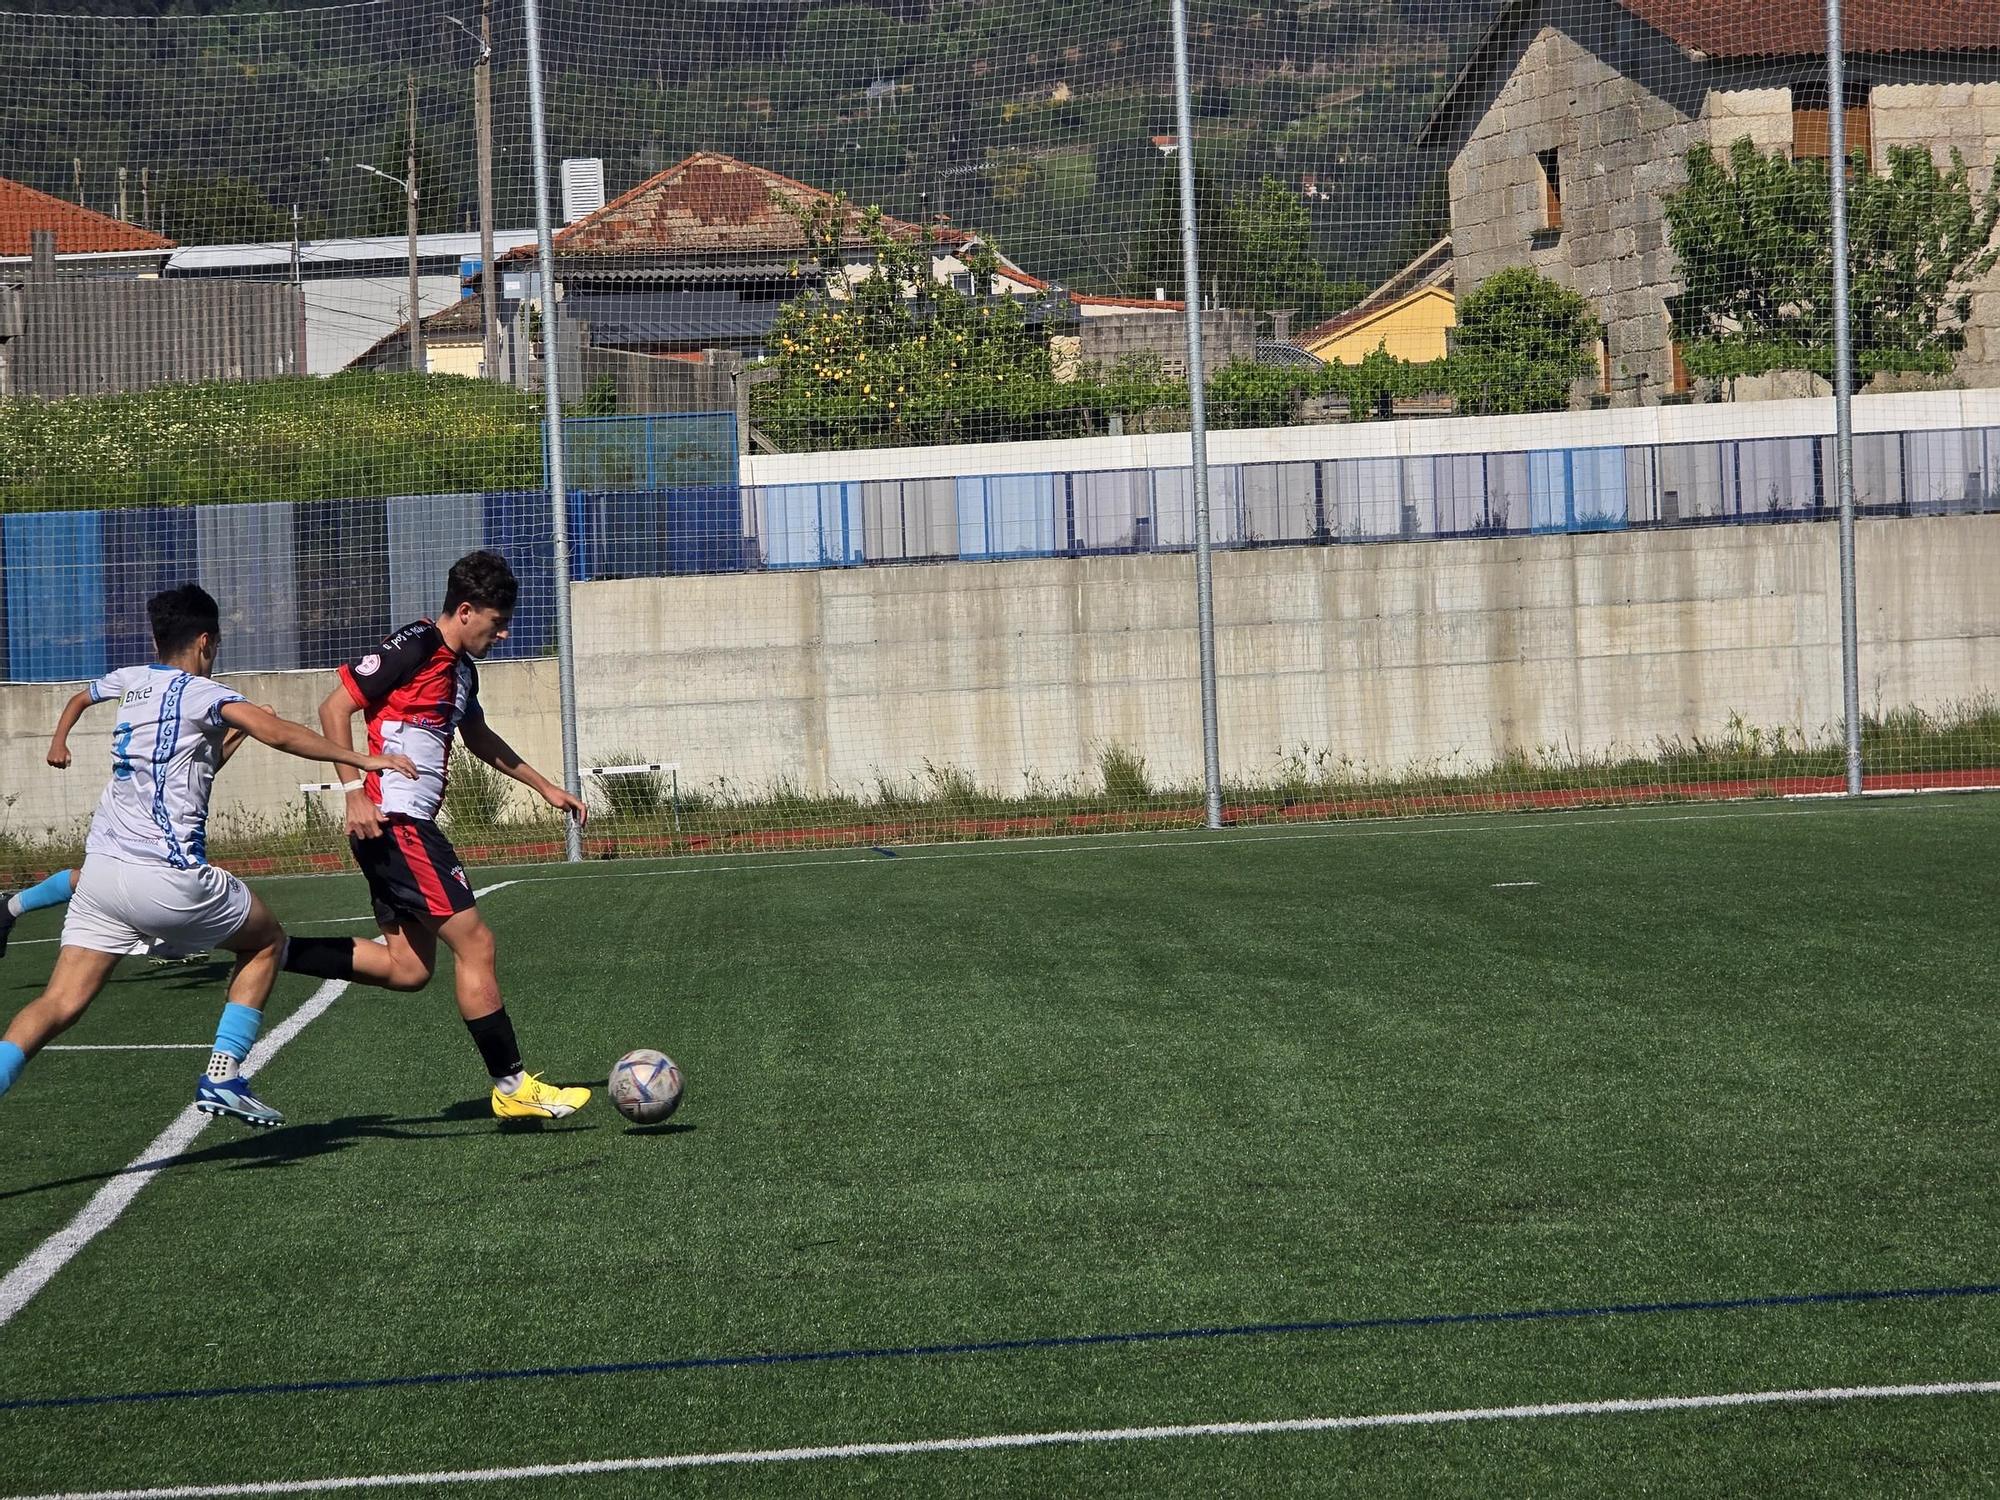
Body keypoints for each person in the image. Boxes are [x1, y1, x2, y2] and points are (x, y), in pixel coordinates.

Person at [0, 586, 418, 1126]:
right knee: (267, 941)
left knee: (57, 1004)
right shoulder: (204, 694)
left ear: (155, 638)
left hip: (100, 876)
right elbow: (283, 735)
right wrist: (362, 758)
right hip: (166, 880)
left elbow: (90, 704)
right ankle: (223, 1076)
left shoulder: (131, 682)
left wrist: (60, 742)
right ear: (206, 640)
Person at [279, 550, 593, 1120]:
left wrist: (545, 787)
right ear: (466, 610)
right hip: (396, 823)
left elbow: (479, 737)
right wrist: (353, 789)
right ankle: (513, 1084)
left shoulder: (462, 673)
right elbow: (334, 707)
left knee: (408, 968)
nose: (503, 633)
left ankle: (273, 952)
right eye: (497, 622)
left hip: (400, 828)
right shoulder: (417, 644)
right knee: (476, 943)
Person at [0, 715, 261, 962]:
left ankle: (10, 908)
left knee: (106, 878)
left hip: (144, 812)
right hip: (135, 813)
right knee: (111, 878)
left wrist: (246, 728)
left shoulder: (178, 728)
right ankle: (165, 940)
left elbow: (207, 763)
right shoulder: (171, 727)